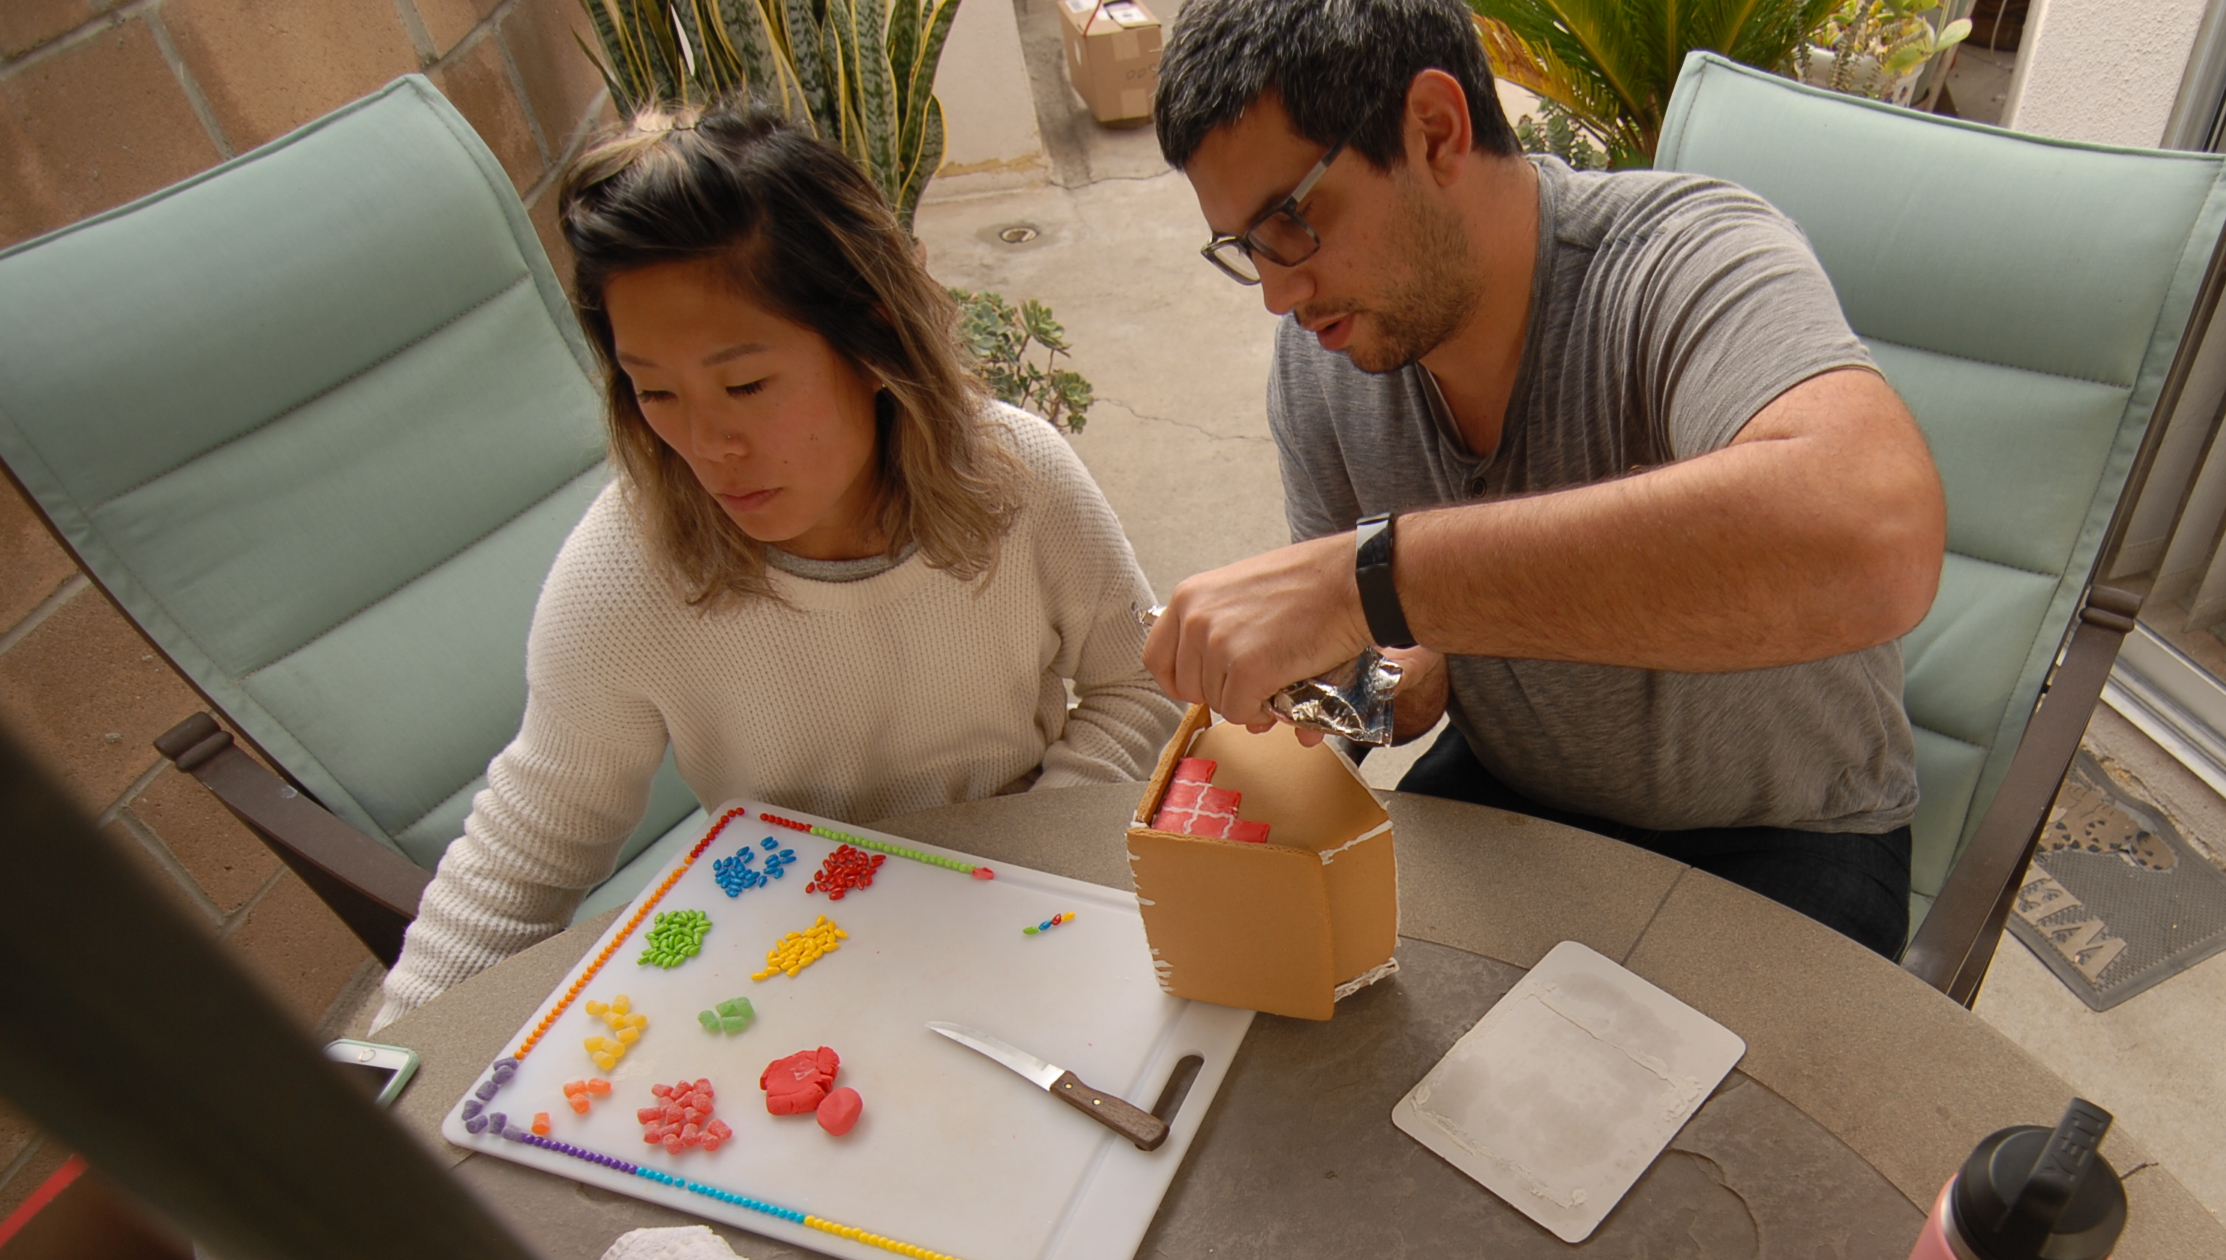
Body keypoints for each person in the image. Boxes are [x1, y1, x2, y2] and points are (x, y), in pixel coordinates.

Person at [1145, 0, 1945, 958]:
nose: (1280, 293)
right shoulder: (1327, 359)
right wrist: (1375, 675)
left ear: (1434, 130)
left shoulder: (1679, 258)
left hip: (1784, 834)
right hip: (1513, 795)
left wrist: (1368, 585)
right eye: (1248, 247)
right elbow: (1380, 657)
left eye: (1292, 219)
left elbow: (1874, 535)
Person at [375, 102, 1178, 1025]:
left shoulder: (1017, 475)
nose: (707, 444)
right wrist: (395, 1060)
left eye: (746, 385)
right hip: (799, 960)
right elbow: (525, 852)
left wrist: (1024, 865)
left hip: (1032, 914)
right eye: (655, 392)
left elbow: (1137, 683)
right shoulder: (623, 573)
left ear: (871, 338)